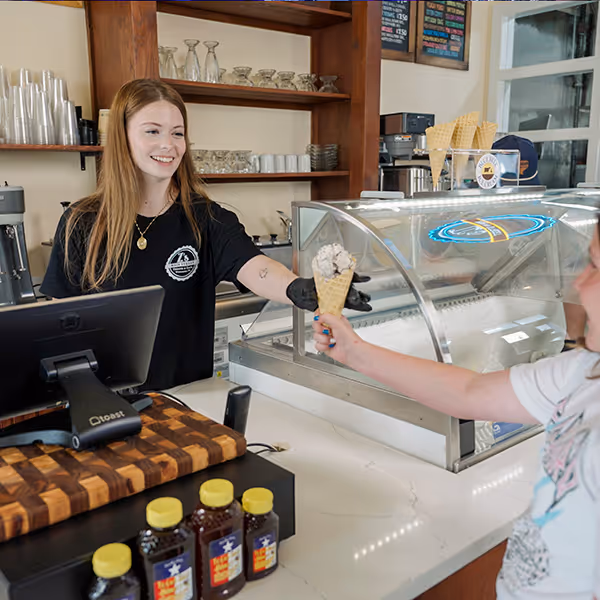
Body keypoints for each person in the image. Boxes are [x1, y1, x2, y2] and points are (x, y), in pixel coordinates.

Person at [313, 224, 600, 598]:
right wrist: (354, 351)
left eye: (594, 266)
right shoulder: (581, 372)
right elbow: (469, 391)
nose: (579, 283)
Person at [40, 78, 370, 391]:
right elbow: (58, 322)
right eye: (152, 131)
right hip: (105, 398)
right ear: (122, 137)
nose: (167, 145)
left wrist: (300, 289)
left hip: (188, 397)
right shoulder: (82, 222)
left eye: (177, 133)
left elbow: (256, 267)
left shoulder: (207, 218)